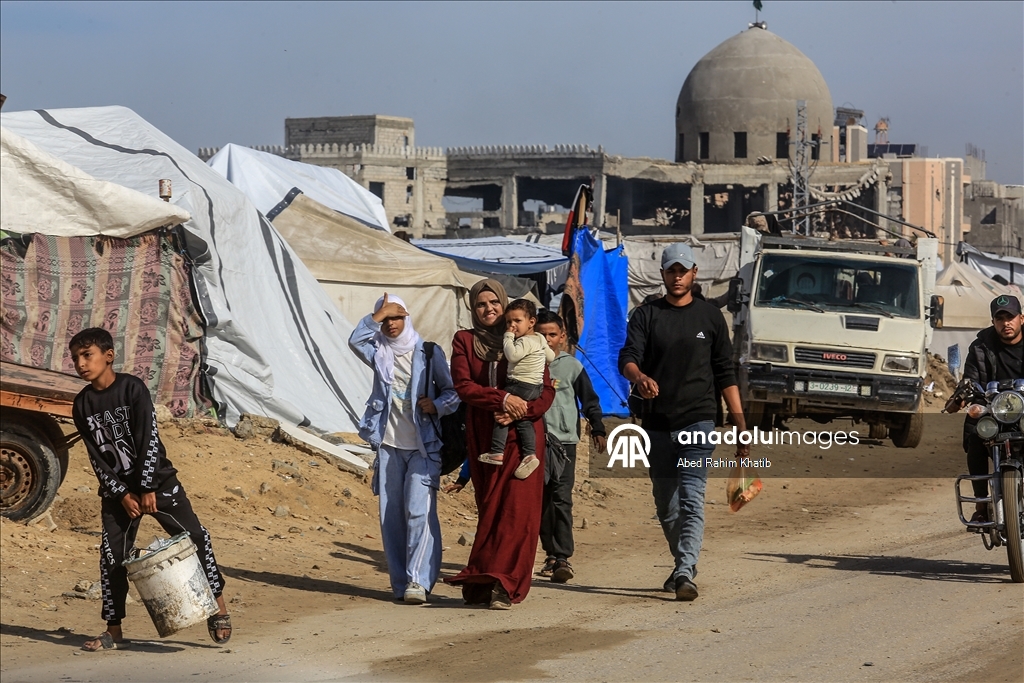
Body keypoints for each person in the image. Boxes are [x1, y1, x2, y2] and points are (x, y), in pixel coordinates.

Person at [68, 327, 230, 651]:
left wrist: (146, 487)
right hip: (119, 496)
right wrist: (122, 494)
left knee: (196, 537)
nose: (81, 363)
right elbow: (97, 460)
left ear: (108, 356)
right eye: (75, 358)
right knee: (112, 557)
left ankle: (218, 608)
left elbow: (149, 439)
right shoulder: (81, 405)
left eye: (87, 355)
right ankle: (113, 630)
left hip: (159, 483)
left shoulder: (132, 389)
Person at [618, 243, 749, 601]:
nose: (677, 276)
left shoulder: (710, 318)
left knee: (692, 498)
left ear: (694, 274)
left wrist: (741, 424)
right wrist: (639, 377)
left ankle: (685, 569)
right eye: (671, 271)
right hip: (657, 425)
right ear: (662, 275)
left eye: (683, 270)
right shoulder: (646, 315)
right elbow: (627, 357)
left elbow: (725, 372)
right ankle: (683, 564)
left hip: (699, 421)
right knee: (666, 503)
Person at [445, 279, 555, 609]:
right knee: (491, 508)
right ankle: (483, 576)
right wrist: (503, 399)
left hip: (524, 439)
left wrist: (523, 409)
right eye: (481, 304)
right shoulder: (464, 340)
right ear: (473, 309)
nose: (489, 308)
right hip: (484, 437)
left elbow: (546, 389)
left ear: (505, 304)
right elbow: (463, 386)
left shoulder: (527, 339)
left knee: (518, 513)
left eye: (494, 302)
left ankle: (506, 585)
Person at [348, 293, 460, 604]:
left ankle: (418, 581)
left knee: (418, 512)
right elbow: (355, 341)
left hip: (424, 448)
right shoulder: (378, 353)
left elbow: (453, 394)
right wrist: (378, 313)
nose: (391, 324)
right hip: (388, 446)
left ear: (407, 318)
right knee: (391, 517)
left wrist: (436, 405)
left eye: (396, 317)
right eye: (385, 319)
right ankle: (400, 584)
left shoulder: (427, 352)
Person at [535, 310, 606, 583]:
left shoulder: (572, 366)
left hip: (564, 442)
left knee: (561, 498)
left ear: (562, 337)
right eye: (541, 335)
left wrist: (597, 428)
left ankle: (563, 557)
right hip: (535, 441)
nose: (547, 340)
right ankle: (550, 553)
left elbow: (589, 400)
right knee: (541, 500)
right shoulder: (526, 364)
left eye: (552, 334)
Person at [946, 294, 1024, 526]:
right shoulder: (981, 346)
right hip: (995, 407)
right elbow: (971, 379)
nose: (1005, 323)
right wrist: (962, 395)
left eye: (1010, 317)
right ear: (993, 322)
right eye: (999, 318)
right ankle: (981, 503)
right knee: (976, 434)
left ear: (1022, 318)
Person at [479, 299, 554, 480]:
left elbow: (512, 356)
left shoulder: (524, 342)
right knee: (522, 420)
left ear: (531, 322)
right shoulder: (540, 339)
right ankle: (530, 454)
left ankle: (497, 451)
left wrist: (507, 337)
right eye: (508, 322)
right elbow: (550, 357)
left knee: (503, 413)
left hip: (519, 383)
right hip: (534, 386)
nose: (512, 326)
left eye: (517, 321)